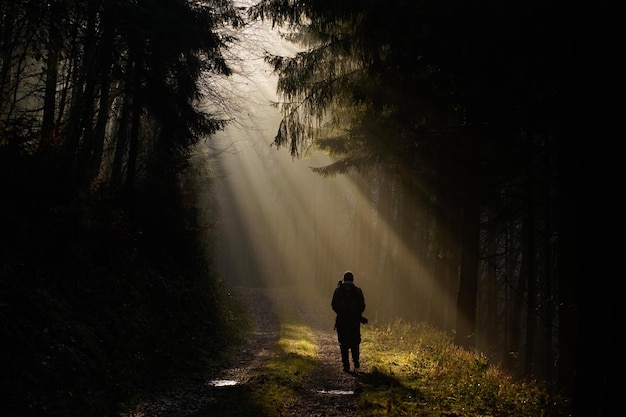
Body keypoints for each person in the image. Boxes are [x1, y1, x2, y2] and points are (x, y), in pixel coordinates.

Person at [331, 271, 366, 372]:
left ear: (344, 278)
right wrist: (357, 314)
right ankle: (356, 361)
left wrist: (341, 313)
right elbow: (362, 305)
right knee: (355, 341)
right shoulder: (357, 291)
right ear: (352, 279)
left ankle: (346, 365)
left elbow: (333, 304)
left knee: (343, 343)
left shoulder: (338, 290)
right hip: (354, 321)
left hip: (342, 320)